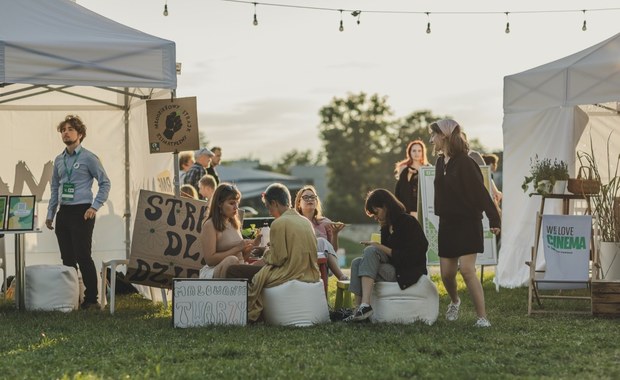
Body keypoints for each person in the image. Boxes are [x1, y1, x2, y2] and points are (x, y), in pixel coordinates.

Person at [429, 119, 501, 328]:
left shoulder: (466, 162)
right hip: (447, 224)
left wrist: (494, 219)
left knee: (467, 270)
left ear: (444, 136)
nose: (432, 139)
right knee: (447, 274)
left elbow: (481, 194)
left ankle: (482, 318)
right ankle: (455, 301)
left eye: (434, 135)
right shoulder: (440, 162)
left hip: (468, 222)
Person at [45, 115, 111, 310]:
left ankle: (91, 299)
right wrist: (50, 213)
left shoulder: (89, 157)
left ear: (80, 134)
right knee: (67, 259)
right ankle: (71, 298)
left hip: (83, 211)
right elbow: (55, 188)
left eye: (70, 129)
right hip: (63, 212)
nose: (66, 132)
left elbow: (105, 183)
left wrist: (95, 206)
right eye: (63, 130)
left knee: (83, 256)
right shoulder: (59, 160)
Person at [345, 189, 428, 322]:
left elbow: (411, 257)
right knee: (356, 262)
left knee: (372, 250)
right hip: (393, 268)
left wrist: (378, 247)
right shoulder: (385, 228)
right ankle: (358, 311)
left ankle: (366, 305)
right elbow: (388, 258)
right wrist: (377, 249)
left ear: (386, 206)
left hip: (408, 271)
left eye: (376, 212)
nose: (376, 218)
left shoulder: (409, 222)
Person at [244, 183, 320, 322]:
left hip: (290, 272)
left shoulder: (279, 223)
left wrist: (266, 251)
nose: (269, 212)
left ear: (274, 203)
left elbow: (278, 259)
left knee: (235, 271)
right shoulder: (305, 222)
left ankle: (245, 315)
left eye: (268, 207)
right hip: (309, 272)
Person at [199, 183, 259, 279]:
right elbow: (209, 260)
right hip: (215, 273)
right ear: (219, 204)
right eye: (231, 203)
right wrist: (237, 248)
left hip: (237, 270)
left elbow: (242, 257)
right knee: (231, 260)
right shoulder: (210, 225)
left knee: (265, 262)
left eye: (237, 203)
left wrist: (251, 247)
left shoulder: (234, 223)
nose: (236, 207)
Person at [294, 185, 348, 280]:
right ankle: (341, 276)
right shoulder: (294, 222)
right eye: (305, 197)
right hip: (301, 262)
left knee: (322, 242)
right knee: (321, 241)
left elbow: (332, 251)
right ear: (299, 203)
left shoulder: (325, 222)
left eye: (313, 197)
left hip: (322, 264)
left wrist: (335, 234)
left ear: (316, 201)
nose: (310, 199)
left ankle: (341, 277)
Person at [394, 140, 429, 218]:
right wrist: (408, 175)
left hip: (424, 205)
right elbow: (402, 189)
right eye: (414, 151)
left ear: (423, 152)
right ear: (409, 152)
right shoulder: (403, 167)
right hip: (408, 205)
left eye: (419, 151)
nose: (416, 153)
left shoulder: (428, 168)